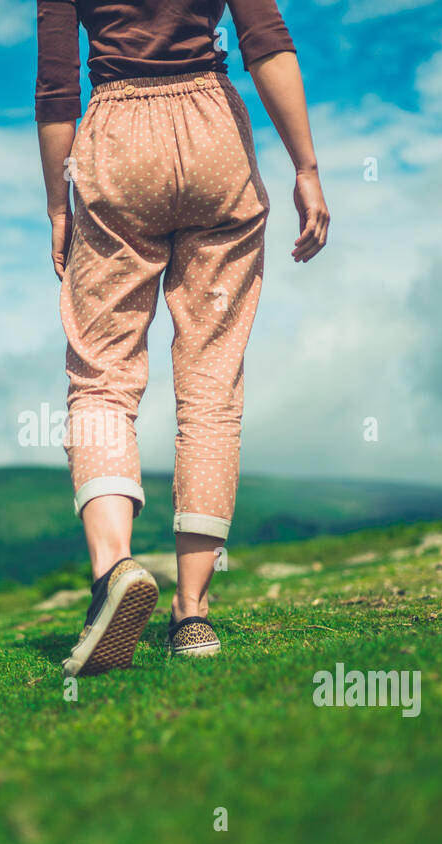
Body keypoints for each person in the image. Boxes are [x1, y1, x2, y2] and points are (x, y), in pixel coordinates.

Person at [37, 1, 329, 677]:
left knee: (102, 377)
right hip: (214, 139)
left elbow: (56, 89)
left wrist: (59, 204)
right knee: (211, 380)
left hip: (114, 142)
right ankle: (191, 613)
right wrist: (305, 169)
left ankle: (114, 571)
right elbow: (265, 44)